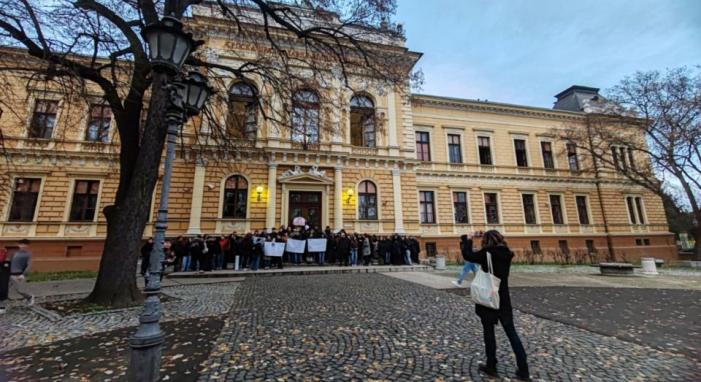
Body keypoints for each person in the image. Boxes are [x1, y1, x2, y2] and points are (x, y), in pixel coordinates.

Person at [462, 230, 530, 381]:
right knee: (512, 334)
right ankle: (524, 370)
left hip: (489, 298)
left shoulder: (487, 254)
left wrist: (468, 238)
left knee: (489, 333)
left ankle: (491, 366)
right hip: (503, 298)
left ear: (486, 241)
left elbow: (467, 255)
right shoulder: (507, 254)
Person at [6, 239, 35, 308]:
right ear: (19, 245)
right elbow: (8, 261)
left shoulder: (28, 254)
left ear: (27, 246)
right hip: (9, 274)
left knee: (20, 290)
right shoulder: (14, 253)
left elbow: (29, 265)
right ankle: (3, 304)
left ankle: (30, 297)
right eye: (21, 244)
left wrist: (23, 274)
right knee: (4, 289)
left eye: (25, 245)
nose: (23, 246)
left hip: (18, 275)